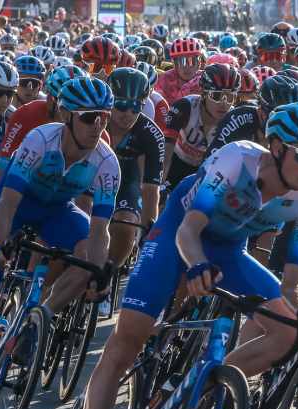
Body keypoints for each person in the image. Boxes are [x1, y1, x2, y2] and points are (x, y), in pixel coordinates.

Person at [64, 103, 298, 409]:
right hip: (179, 235)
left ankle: (205, 382)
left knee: (292, 332)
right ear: (276, 147)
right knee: (127, 341)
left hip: (230, 251)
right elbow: (189, 229)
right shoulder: (237, 159)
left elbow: (294, 280)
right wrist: (196, 267)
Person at [0, 77, 120, 320]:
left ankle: (38, 318)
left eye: (104, 118)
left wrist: (98, 275)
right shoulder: (39, 139)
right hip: (20, 203)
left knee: (87, 262)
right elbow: (8, 201)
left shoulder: (107, 163)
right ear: (66, 114)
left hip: (57, 210)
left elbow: (100, 230)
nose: (98, 126)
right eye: (89, 117)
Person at [103, 67, 165, 270]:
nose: (129, 113)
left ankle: (106, 278)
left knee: (127, 226)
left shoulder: (151, 134)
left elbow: (150, 191)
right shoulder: (95, 120)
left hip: (125, 179)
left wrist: (147, 235)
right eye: (121, 104)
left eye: (136, 106)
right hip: (90, 176)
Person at [162, 62, 240, 191]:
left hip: (206, 171)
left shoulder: (233, 119)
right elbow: (166, 153)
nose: (224, 104)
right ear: (203, 94)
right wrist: (161, 184)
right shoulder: (184, 107)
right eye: (217, 96)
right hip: (176, 164)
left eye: (230, 97)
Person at [156, 37, 200, 105]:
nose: (187, 66)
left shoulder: (206, 81)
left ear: (198, 64)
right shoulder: (163, 81)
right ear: (174, 65)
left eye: (191, 61)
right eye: (182, 62)